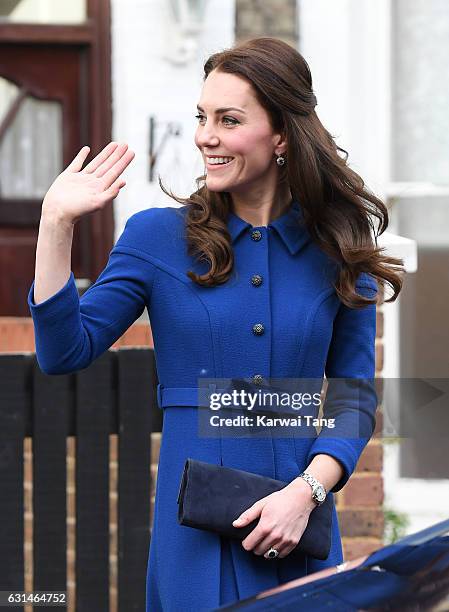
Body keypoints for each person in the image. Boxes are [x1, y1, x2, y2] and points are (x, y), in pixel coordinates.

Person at [27, 37, 404, 611]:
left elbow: (353, 398)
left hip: (298, 529)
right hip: (195, 538)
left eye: (229, 120)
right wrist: (55, 224)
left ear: (281, 135)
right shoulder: (156, 236)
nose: (207, 135)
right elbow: (64, 351)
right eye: (202, 118)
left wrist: (305, 494)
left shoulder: (339, 245)